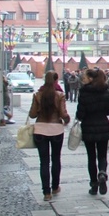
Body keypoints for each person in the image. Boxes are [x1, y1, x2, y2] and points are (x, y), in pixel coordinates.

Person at [29, 71, 70, 201]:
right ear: (56, 81)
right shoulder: (59, 95)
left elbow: (32, 114)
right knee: (56, 159)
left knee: (44, 162)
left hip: (40, 130)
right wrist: (67, 120)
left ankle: (46, 192)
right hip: (56, 130)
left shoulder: (37, 95)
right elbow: (63, 114)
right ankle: (55, 186)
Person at [76, 68, 109, 195]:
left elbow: (80, 113)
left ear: (91, 78)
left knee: (91, 157)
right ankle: (102, 172)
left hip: (88, 126)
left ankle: (94, 184)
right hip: (103, 124)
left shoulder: (84, 92)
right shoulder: (107, 91)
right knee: (102, 155)